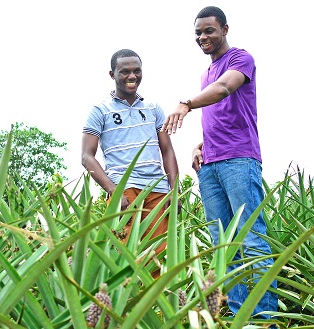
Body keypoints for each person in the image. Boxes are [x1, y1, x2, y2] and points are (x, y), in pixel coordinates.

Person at [161, 6, 278, 321]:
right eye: (198, 33)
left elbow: (226, 88)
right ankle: (241, 316)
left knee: (251, 239)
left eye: (209, 30)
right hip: (210, 165)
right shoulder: (205, 74)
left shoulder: (241, 59)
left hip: (239, 159)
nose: (203, 37)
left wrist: (186, 104)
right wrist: (202, 143)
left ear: (225, 29)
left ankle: (264, 320)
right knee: (222, 245)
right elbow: (220, 113)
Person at [82, 49, 179, 278]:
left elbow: (167, 150)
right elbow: (87, 156)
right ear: (112, 74)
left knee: (159, 256)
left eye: (137, 71)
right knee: (123, 255)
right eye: (124, 72)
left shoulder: (153, 108)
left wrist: (174, 192)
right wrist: (113, 191)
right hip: (124, 190)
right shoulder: (101, 110)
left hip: (158, 191)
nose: (132, 76)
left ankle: (156, 309)